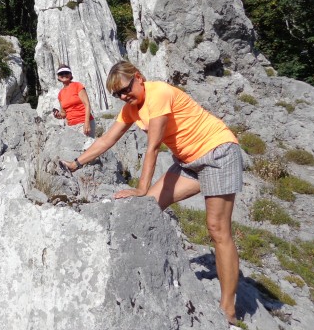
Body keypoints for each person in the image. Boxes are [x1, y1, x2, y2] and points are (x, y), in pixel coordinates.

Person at [60, 61, 243, 325]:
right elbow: (106, 140)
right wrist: (75, 164)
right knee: (147, 209)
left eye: (125, 89)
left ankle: (228, 310)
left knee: (217, 229)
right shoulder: (131, 109)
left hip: (217, 153)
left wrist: (140, 187)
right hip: (188, 163)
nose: (124, 96)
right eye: (117, 95)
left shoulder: (158, 93)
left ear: (138, 77)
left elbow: (153, 147)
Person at [52, 64, 95, 137]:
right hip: (71, 126)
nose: (64, 75)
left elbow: (87, 104)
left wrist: (86, 122)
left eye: (66, 73)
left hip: (84, 123)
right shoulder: (60, 94)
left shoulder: (78, 86)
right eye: (61, 73)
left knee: (88, 148)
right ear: (58, 77)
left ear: (70, 74)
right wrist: (58, 115)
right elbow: (63, 113)